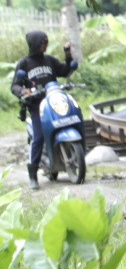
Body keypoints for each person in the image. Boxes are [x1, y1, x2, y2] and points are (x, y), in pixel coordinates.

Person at [11, 31, 75, 190]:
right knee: (38, 137)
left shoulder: (50, 60)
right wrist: (22, 91)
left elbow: (65, 71)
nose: (45, 45)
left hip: (54, 103)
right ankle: (33, 176)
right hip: (37, 107)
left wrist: (68, 55)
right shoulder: (24, 63)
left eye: (46, 42)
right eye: (43, 42)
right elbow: (15, 85)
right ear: (35, 43)